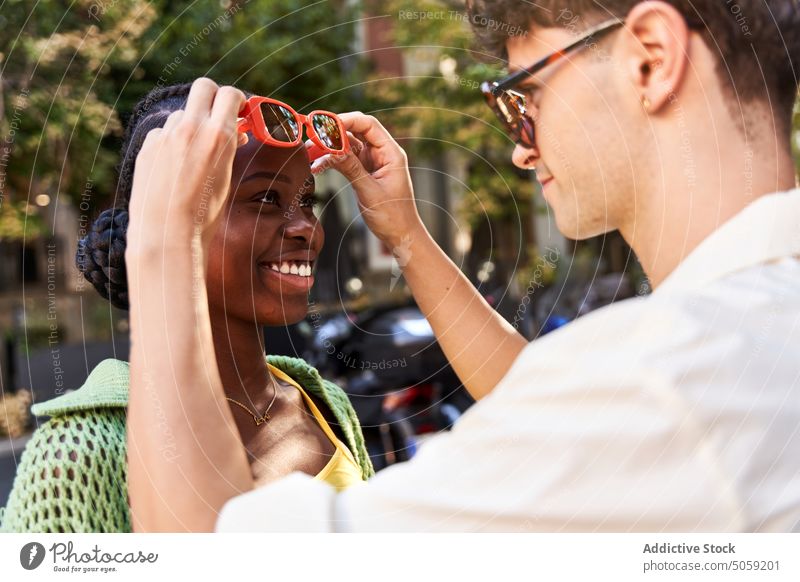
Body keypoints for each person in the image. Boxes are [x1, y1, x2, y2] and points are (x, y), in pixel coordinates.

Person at [108, 0, 800, 532]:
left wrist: (163, 235)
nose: (522, 148)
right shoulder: (751, 332)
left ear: (650, 58)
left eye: (523, 96)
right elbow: (544, 417)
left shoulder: (667, 379)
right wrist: (408, 236)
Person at [0, 82, 373, 533]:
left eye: (307, 201)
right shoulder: (78, 454)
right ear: (166, 209)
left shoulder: (323, 404)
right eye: (265, 198)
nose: (307, 230)